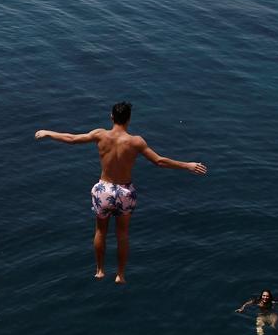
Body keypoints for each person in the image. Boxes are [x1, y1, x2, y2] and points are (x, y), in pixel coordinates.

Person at [35, 101, 207, 284]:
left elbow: (72, 139)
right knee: (122, 234)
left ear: (111, 117)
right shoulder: (136, 142)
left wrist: (49, 133)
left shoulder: (100, 135)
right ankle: (120, 275)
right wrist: (187, 165)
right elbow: (159, 161)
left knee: (101, 231)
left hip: (104, 189)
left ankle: (100, 270)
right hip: (124, 192)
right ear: (129, 119)